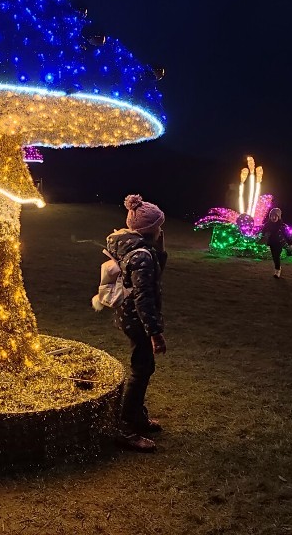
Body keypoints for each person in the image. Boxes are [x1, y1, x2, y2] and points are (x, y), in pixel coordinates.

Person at [106, 194, 168, 453]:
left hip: (128, 316)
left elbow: (155, 271)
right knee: (141, 369)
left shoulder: (133, 247)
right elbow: (144, 298)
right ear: (148, 229)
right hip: (137, 319)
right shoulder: (141, 256)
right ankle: (124, 426)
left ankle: (136, 417)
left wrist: (160, 250)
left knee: (144, 367)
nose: (161, 230)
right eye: (158, 226)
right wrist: (155, 333)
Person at [260, 208, 292, 278]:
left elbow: (287, 235)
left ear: (279, 217)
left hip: (279, 243)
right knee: (274, 257)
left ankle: (277, 270)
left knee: (276, 256)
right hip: (271, 243)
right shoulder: (267, 225)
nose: (274, 217)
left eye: (276, 216)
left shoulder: (282, 226)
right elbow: (262, 233)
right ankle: (278, 268)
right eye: (272, 216)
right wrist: (262, 236)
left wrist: (290, 243)